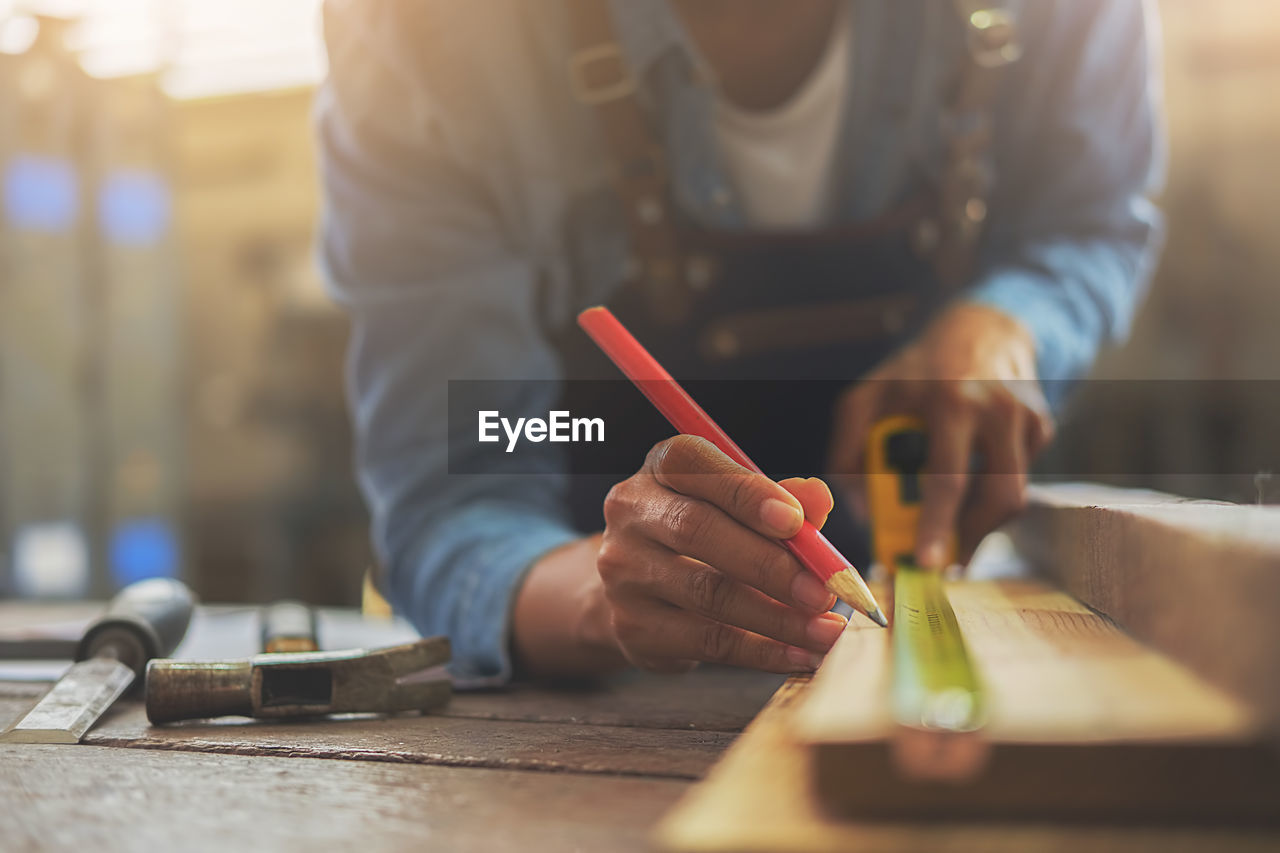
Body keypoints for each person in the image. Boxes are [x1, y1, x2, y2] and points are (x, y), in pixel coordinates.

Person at [317, 0, 1164, 684]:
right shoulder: (417, 34)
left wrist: (1008, 326)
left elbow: (1085, 226)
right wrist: (599, 594)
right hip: (619, 701)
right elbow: (458, 488)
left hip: (920, 596)